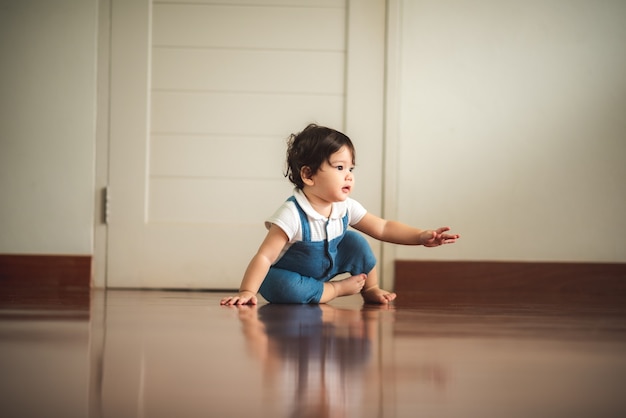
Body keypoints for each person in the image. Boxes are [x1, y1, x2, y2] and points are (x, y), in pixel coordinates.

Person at [220, 124, 459, 306]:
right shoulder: (292, 214)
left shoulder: (345, 207)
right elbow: (264, 257)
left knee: (355, 242)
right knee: (279, 286)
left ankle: (371, 288)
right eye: (340, 168)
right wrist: (247, 292)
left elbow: (383, 227)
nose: (349, 176)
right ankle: (334, 290)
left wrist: (420, 236)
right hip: (294, 275)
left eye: (351, 168)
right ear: (308, 175)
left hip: (327, 265)